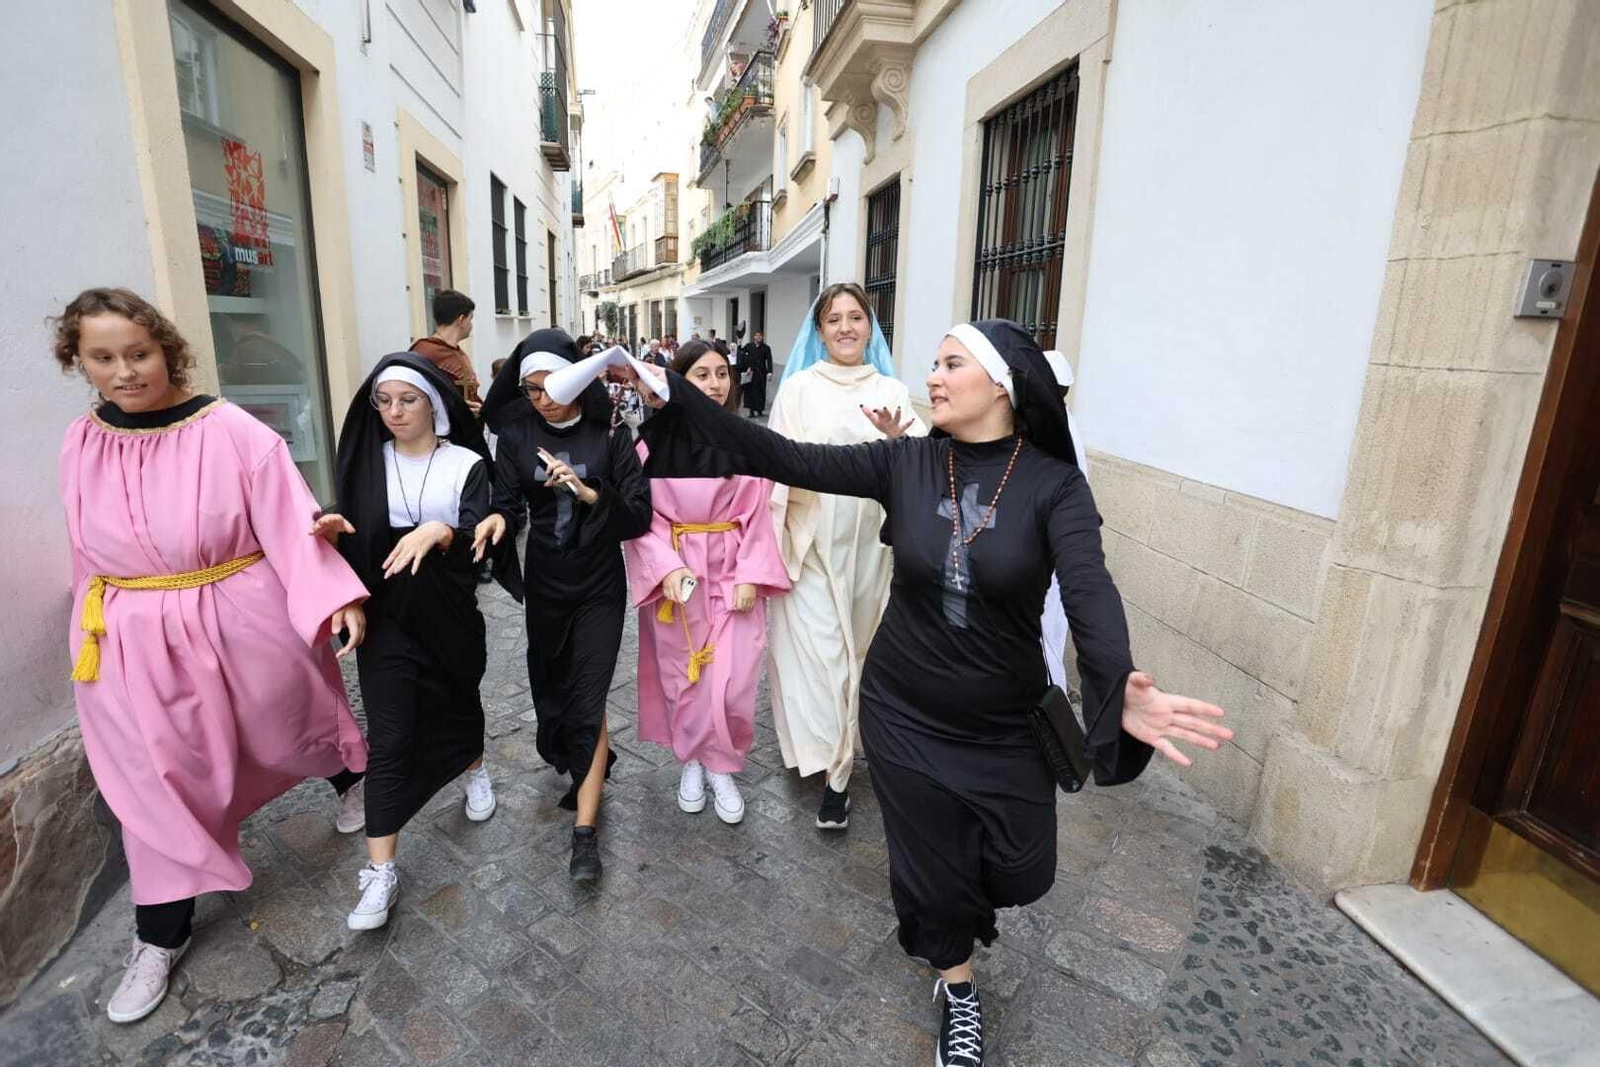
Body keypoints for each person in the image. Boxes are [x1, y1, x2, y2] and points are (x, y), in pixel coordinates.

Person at [626, 317, 1231, 1067]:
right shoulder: (908, 463)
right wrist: (676, 392)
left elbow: (1090, 594)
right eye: (934, 365)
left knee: (1025, 868)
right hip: (903, 706)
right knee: (933, 865)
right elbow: (779, 453)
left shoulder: (1053, 486)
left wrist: (1116, 684)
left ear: (1003, 385)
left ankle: (952, 908)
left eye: (950, 364)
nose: (932, 377)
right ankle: (957, 983)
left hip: (1004, 719)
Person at [52, 288, 369, 1024]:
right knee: (152, 783)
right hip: (129, 637)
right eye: (103, 357)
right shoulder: (82, 441)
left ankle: (353, 774)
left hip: (236, 610)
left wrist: (334, 597)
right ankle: (159, 934)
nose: (125, 371)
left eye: (138, 352)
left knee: (289, 720)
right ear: (81, 361)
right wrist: (87, 634)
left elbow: (291, 521)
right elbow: (81, 550)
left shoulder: (229, 430)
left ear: (166, 347)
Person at [318, 353, 520, 931]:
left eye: (407, 400)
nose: (394, 411)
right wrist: (331, 539)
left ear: (433, 403)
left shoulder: (464, 464)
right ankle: (381, 873)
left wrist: (444, 531)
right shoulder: (367, 464)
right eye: (384, 402)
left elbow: (481, 535)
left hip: (450, 615)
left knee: (459, 701)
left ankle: (474, 768)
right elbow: (354, 540)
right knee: (390, 737)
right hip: (386, 623)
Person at [473, 329, 653, 881]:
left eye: (549, 387)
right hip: (547, 586)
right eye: (529, 391)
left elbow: (639, 514)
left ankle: (585, 833)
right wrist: (499, 519)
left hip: (600, 584)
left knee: (588, 697)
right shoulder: (517, 436)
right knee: (554, 691)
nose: (541, 399)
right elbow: (505, 501)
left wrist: (588, 490)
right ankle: (585, 759)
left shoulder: (611, 436)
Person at [765, 282, 925, 830]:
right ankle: (834, 774)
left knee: (859, 658)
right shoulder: (799, 391)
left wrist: (899, 444)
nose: (845, 328)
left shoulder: (894, 391)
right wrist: (777, 544)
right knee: (823, 660)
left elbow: (925, 472)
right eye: (833, 319)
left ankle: (842, 760)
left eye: (856, 317)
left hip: (869, 554)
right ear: (819, 330)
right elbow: (778, 465)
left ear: (870, 326)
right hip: (813, 550)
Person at [622, 340, 790, 823]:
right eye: (701, 374)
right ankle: (698, 761)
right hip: (679, 573)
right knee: (684, 675)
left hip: (734, 568)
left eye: (722, 373)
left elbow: (760, 515)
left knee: (735, 676)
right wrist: (666, 567)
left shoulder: (746, 440)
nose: (715, 384)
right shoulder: (648, 444)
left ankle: (721, 763)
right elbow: (640, 518)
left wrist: (752, 574)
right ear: (678, 379)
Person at [1039, 350, 1087, 690]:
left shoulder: (1054, 429)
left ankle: (1048, 700)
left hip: (1050, 546)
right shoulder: (1063, 422)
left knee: (1042, 625)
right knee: (1050, 624)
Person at [411, 289, 483, 415]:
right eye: (470, 319)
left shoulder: (458, 352)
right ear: (461, 320)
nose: (471, 325)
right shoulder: (424, 352)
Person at [739, 330, 773, 417]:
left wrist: (770, 372)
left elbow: (769, 360)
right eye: (757, 335)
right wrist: (739, 342)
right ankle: (751, 411)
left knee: (761, 391)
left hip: (761, 372)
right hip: (751, 372)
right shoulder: (749, 346)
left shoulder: (766, 348)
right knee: (750, 391)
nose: (758, 337)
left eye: (760, 336)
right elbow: (741, 352)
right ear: (754, 337)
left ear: (762, 337)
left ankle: (759, 410)